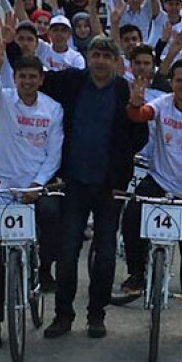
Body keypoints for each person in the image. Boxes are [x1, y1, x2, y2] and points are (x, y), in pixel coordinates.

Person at [27, 34, 147, 338]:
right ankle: (63, 315)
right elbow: (35, 77)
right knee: (67, 253)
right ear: (89, 57)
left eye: (107, 57)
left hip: (109, 186)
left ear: (116, 62)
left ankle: (96, 314)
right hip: (75, 182)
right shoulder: (71, 81)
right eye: (96, 55)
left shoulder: (124, 90)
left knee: (105, 255)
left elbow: (139, 141)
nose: (101, 61)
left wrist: (136, 112)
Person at [122, 61, 182, 344]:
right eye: (179, 81)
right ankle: (138, 273)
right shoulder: (162, 104)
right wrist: (134, 103)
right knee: (130, 216)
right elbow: (139, 115)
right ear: (172, 82)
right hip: (160, 181)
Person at [0, 41, 65, 348]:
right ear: (14, 79)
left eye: (33, 76)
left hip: (37, 186)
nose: (27, 81)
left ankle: (44, 269)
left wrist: (38, 184)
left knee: (53, 215)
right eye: (21, 76)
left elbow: (54, 154)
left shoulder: (53, 109)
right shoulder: (2, 101)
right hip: (5, 188)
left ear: (41, 79)